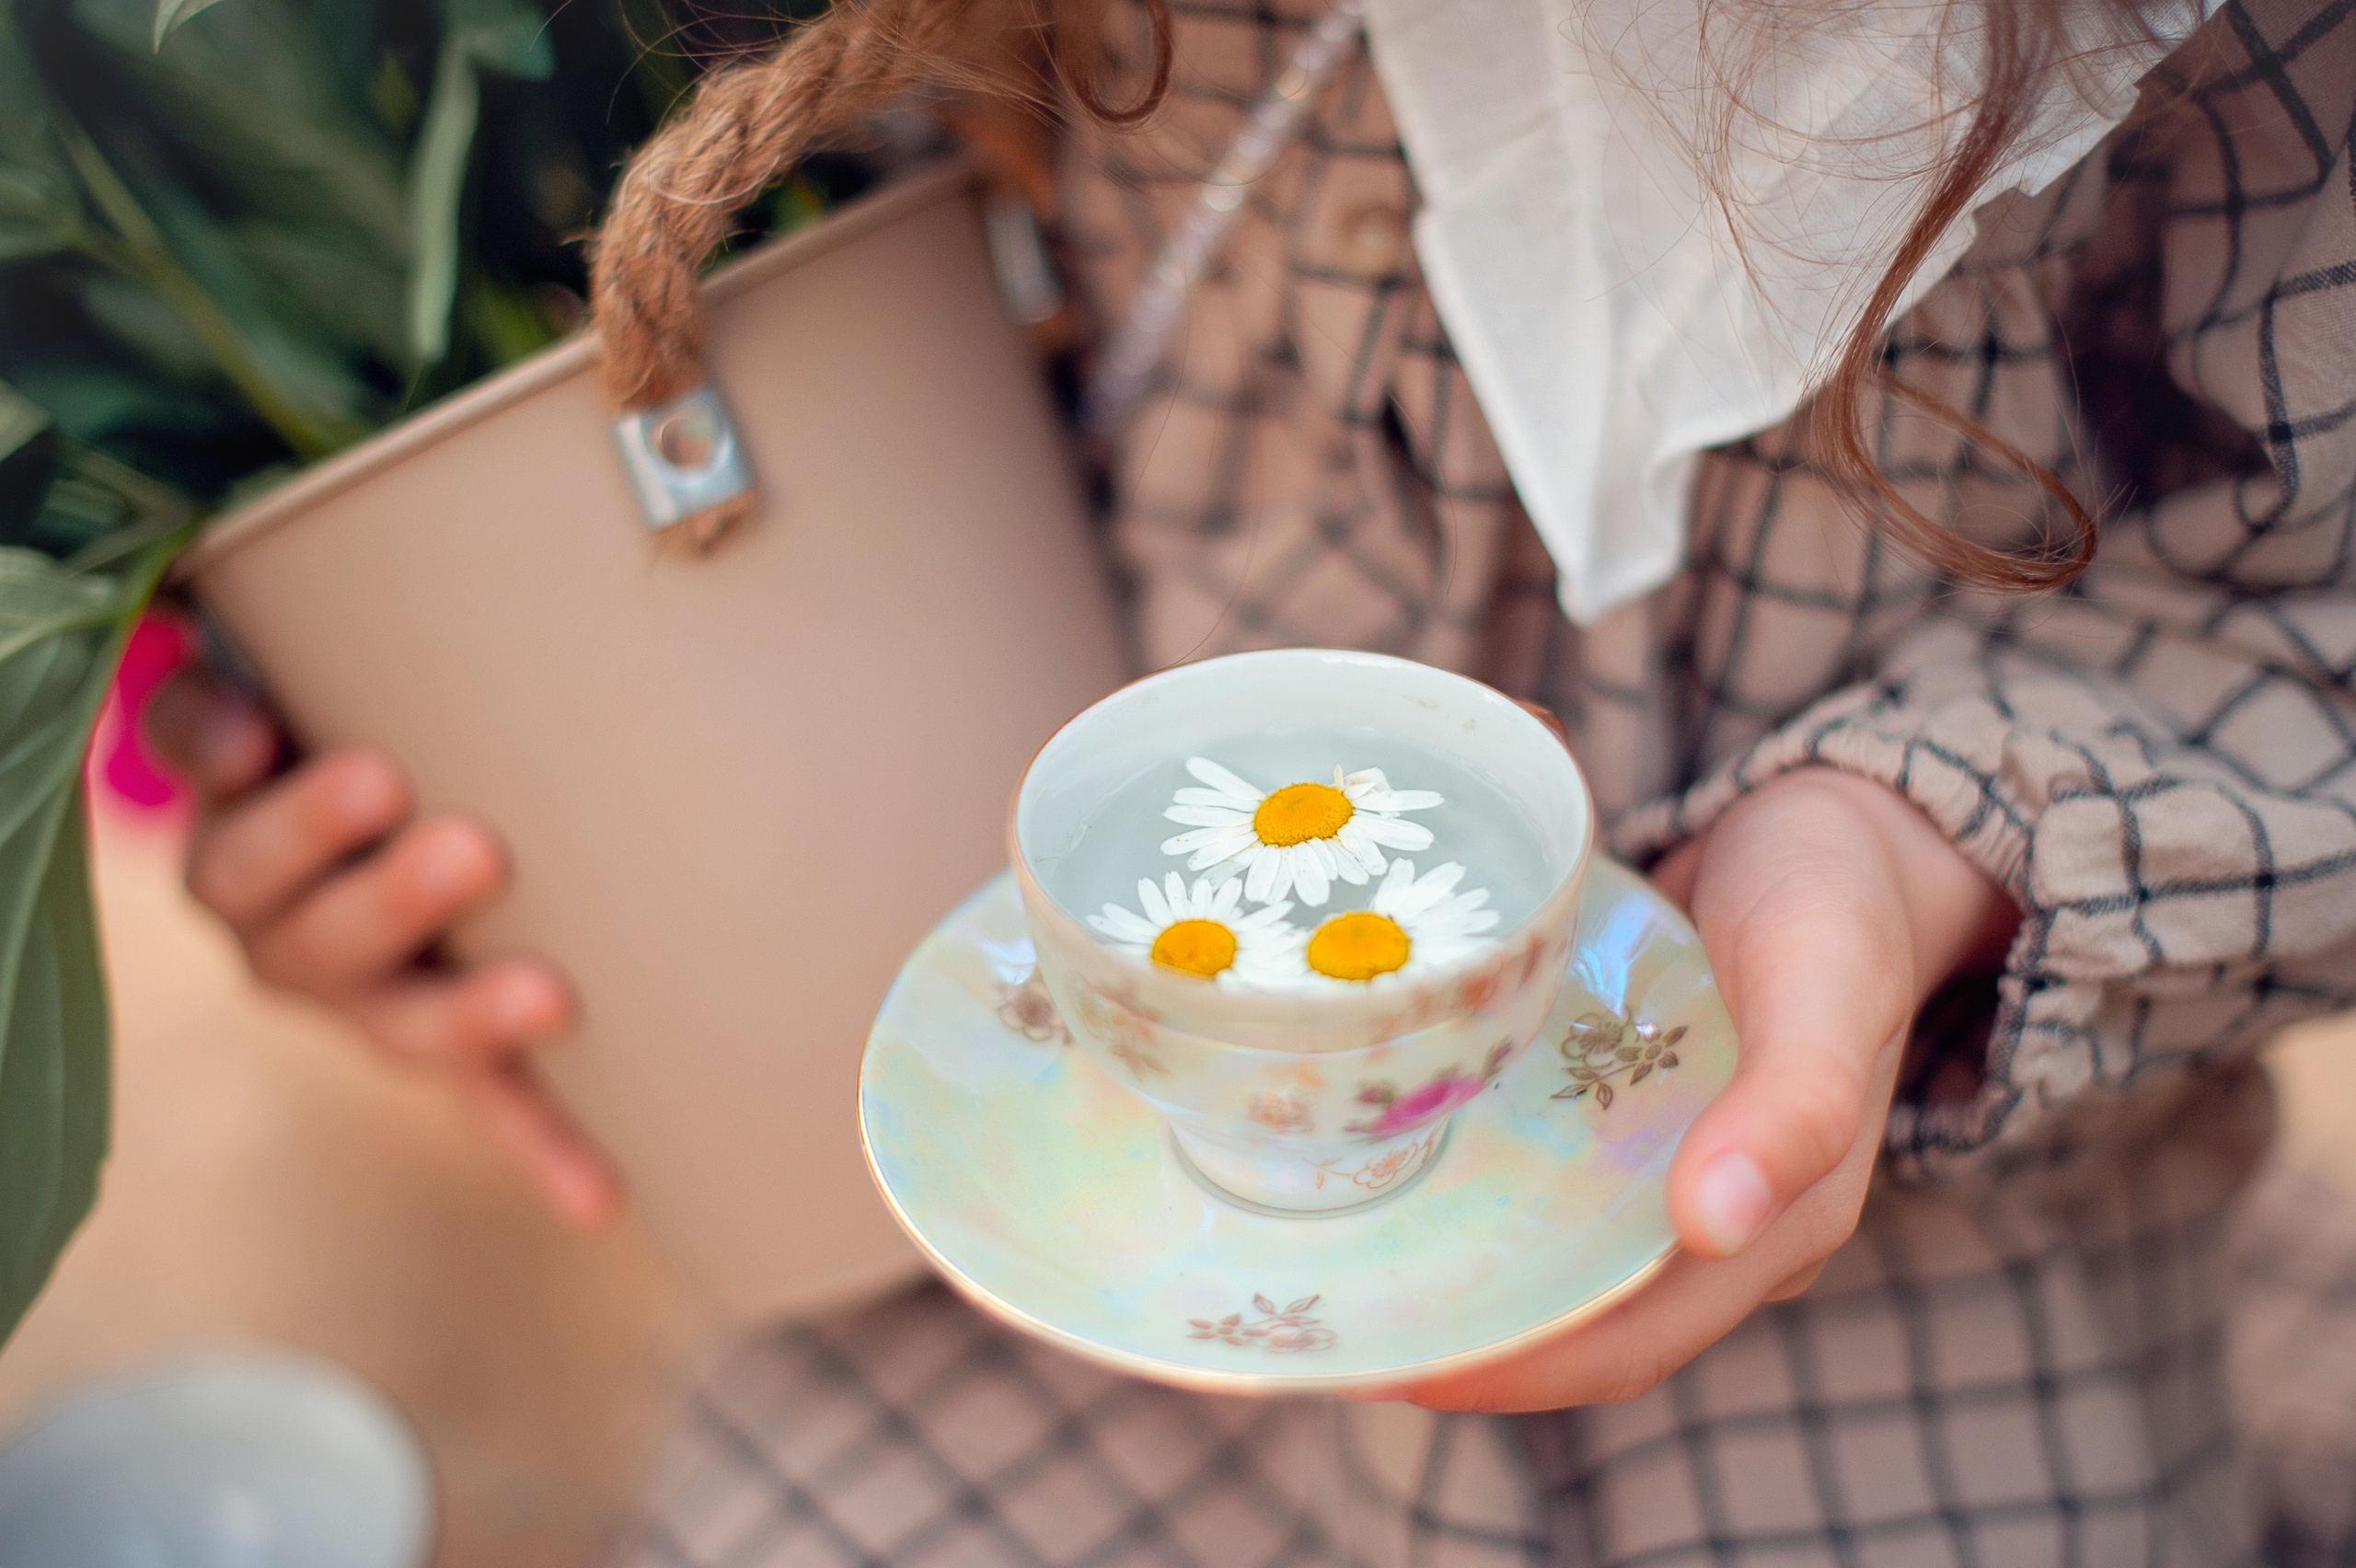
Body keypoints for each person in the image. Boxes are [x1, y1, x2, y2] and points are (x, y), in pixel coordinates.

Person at [147, 0, 2356, 1559]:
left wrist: (1912, 852)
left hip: (1926, 1332)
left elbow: (2315, 620)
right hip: (1030, 1273)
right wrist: (421, 750)